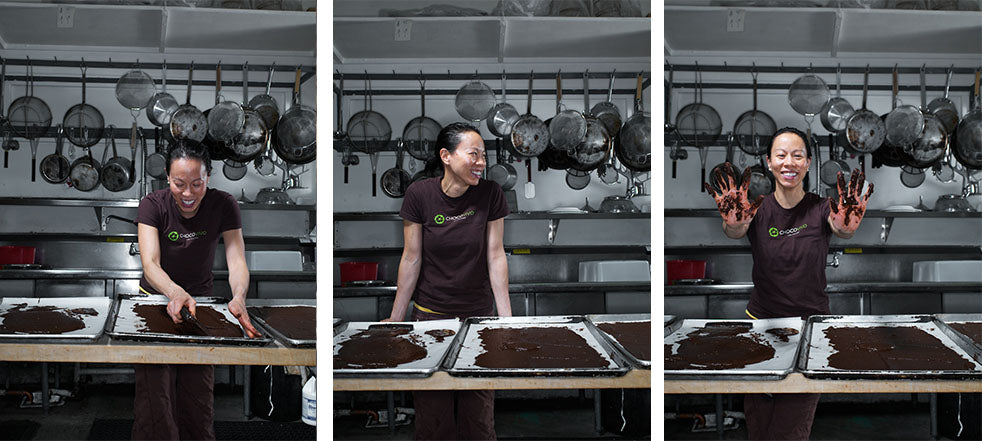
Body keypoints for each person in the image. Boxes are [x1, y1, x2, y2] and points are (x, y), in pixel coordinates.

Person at [705, 127, 874, 440]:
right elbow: (736, 231)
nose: (789, 162)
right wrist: (732, 224)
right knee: (759, 422)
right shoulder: (754, 208)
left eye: (797, 155)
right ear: (769, 162)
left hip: (809, 330)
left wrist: (847, 229)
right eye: (781, 155)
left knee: (791, 427)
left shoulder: (823, 207)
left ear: (808, 163)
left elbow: (841, 228)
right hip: (761, 328)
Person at [385, 122, 512, 440]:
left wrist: (507, 320)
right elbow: (411, 258)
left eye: (483, 155)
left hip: (478, 321)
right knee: (433, 418)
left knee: (478, 419)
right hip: (430, 319)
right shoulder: (419, 195)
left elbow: (495, 256)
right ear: (446, 156)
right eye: (474, 154)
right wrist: (396, 319)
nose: (481, 162)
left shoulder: (490, 194)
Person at [133, 140, 260, 440]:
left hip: (200, 305)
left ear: (208, 177)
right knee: (155, 395)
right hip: (155, 302)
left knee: (198, 393)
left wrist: (239, 296)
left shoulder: (224, 204)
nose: (188, 194)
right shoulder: (152, 205)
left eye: (197, 184)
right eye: (179, 184)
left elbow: (237, 260)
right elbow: (150, 264)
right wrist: (175, 293)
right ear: (167, 178)